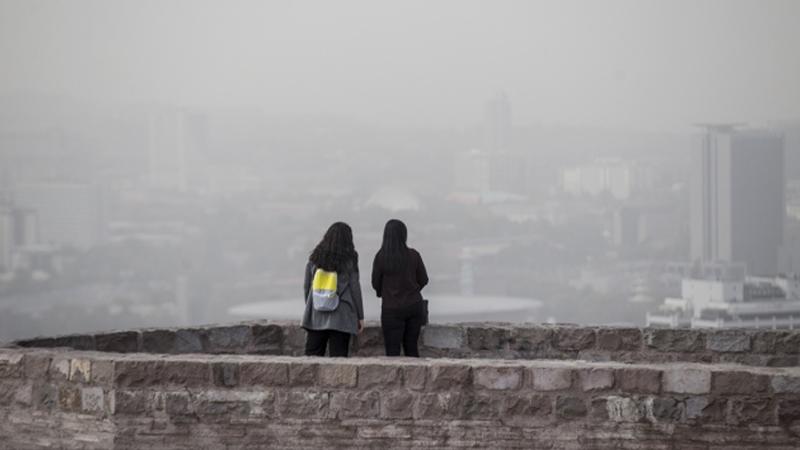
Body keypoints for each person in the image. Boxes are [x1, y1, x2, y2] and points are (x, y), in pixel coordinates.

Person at [302, 222, 364, 357]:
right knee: (339, 361)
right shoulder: (350, 259)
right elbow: (355, 288)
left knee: (312, 359)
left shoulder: (315, 258)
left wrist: (312, 306)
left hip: (317, 315)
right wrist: (360, 316)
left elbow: (307, 286)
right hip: (341, 317)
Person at [371, 219, 429, 357]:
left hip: (391, 308)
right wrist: (412, 290)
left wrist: (383, 293)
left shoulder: (381, 257)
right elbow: (424, 279)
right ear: (404, 234)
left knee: (392, 351)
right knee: (412, 349)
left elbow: (375, 283)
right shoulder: (414, 255)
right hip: (414, 306)